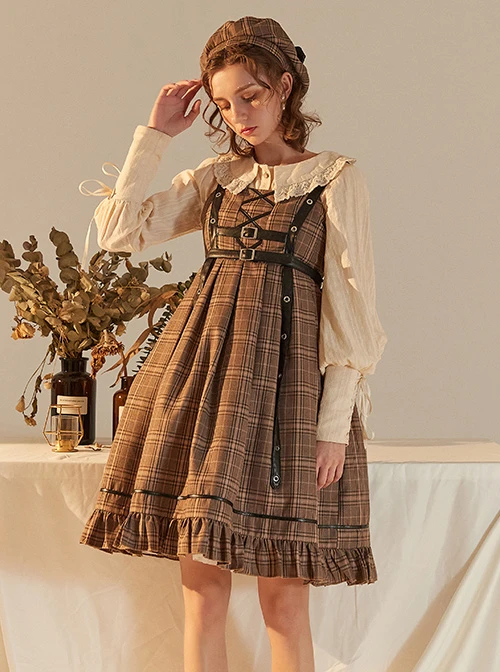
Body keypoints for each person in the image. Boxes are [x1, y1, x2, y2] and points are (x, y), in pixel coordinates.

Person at [79, 16, 388, 672]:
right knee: (203, 597)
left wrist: (333, 427)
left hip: (288, 402)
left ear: (285, 86)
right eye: (224, 104)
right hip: (203, 392)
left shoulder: (335, 178)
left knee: (285, 604)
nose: (239, 115)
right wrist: (154, 138)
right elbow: (119, 233)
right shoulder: (218, 176)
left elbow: (351, 310)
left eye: (250, 96)